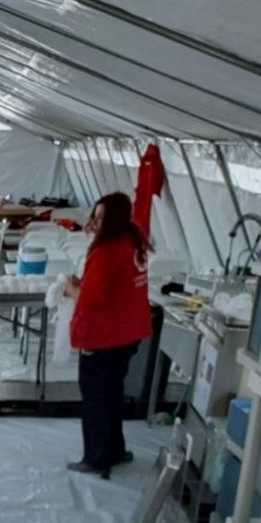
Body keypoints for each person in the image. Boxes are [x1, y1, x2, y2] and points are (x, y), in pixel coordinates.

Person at [65, 191, 153, 478]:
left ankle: (97, 457)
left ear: (114, 219)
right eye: (96, 215)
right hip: (128, 334)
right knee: (113, 394)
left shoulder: (106, 251)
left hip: (105, 337)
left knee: (96, 399)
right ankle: (115, 449)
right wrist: (84, 283)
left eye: (103, 217)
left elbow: (90, 299)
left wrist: (71, 289)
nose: (97, 222)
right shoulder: (133, 241)